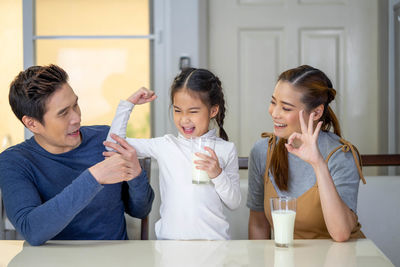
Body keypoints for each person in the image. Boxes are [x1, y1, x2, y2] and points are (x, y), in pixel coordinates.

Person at [0, 64, 154, 246]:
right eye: (63, 113)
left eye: (75, 105)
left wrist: (136, 175)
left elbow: (140, 210)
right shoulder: (15, 161)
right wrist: (94, 178)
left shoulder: (105, 139)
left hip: (115, 259)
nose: (76, 118)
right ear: (32, 124)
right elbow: (32, 230)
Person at [105, 68, 241, 240]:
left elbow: (234, 202)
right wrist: (128, 105)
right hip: (170, 244)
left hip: (214, 243)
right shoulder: (165, 145)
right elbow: (113, 145)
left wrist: (217, 174)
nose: (184, 119)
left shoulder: (226, 149)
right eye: (178, 110)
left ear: (213, 111)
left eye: (193, 111)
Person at [247, 65, 366, 241]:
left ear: (316, 112)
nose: (275, 113)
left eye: (286, 108)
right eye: (273, 102)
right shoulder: (262, 151)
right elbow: (258, 223)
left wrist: (318, 163)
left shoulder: (341, 155)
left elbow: (341, 234)